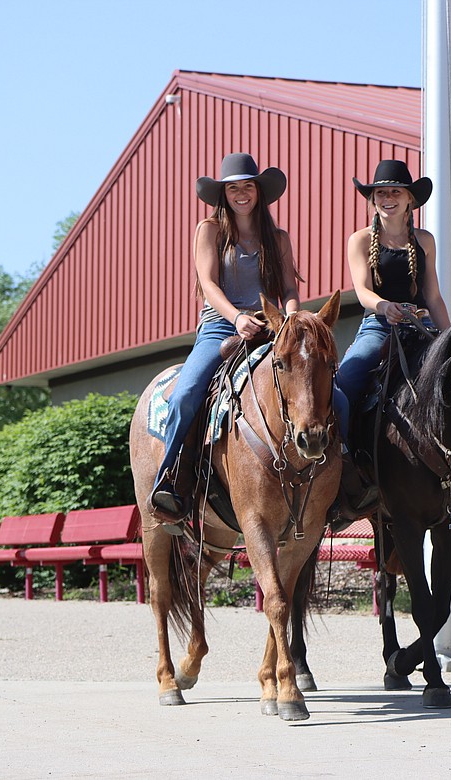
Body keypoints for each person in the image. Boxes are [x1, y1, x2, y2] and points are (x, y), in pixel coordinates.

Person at [150, 153, 301, 531]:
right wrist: (237, 318)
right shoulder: (210, 230)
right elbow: (208, 284)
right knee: (186, 395)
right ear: (223, 194)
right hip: (220, 327)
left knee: (319, 385)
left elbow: (287, 288)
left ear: (258, 191)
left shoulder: (277, 238)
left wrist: (291, 320)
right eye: (233, 188)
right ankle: (171, 481)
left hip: (270, 327)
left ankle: (338, 481)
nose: (241, 193)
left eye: (247, 186)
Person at [331, 160, 451, 518]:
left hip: (421, 328)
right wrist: (385, 307)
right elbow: (362, 292)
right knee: (343, 386)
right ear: (372, 200)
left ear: (410, 200)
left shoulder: (424, 240)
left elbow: (433, 296)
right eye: (380, 192)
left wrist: (450, 339)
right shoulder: (360, 240)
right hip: (379, 326)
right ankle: (343, 469)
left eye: (394, 192)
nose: (387, 198)